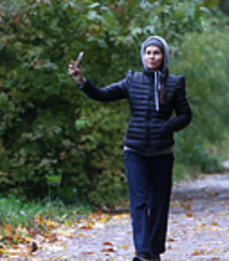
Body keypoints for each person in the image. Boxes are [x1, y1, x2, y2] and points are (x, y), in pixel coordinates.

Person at [68, 36, 192, 261]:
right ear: (142, 56)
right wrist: (82, 81)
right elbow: (103, 95)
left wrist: (167, 127)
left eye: (156, 53)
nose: (151, 57)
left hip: (162, 151)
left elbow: (186, 115)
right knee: (139, 201)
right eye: (148, 53)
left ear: (163, 56)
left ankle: (154, 251)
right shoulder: (132, 80)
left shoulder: (175, 83)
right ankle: (143, 252)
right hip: (134, 150)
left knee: (158, 202)